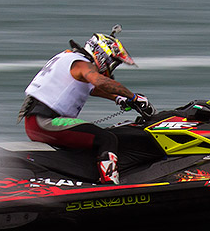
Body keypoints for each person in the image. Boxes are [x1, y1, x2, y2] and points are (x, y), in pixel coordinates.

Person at [17, 26, 154, 184]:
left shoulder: (69, 58)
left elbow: (93, 88)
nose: (112, 67)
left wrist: (120, 99)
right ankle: (110, 184)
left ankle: (78, 180)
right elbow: (100, 82)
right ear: (103, 54)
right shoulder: (82, 64)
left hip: (37, 122)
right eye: (113, 62)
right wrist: (134, 97)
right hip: (46, 122)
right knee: (107, 139)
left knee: (87, 143)